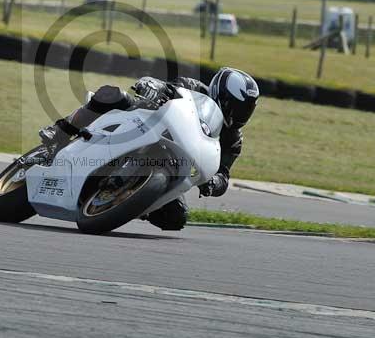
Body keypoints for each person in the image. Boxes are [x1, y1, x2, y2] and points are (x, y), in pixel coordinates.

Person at [39, 67, 259, 231]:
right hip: (145, 124)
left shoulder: (233, 140)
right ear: (222, 94)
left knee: (176, 219)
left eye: (247, 109)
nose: (241, 114)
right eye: (238, 106)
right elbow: (167, 86)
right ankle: (60, 132)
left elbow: (224, 174)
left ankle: (129, 201)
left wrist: (214, 182)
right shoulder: (194, 88)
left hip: (171, 164)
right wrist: (154, 87)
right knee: (112, 94)